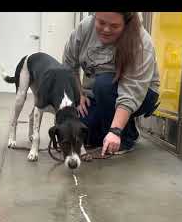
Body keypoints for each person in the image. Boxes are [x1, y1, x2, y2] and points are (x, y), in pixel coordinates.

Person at [62, 12, 160, 157]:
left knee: (104, 83)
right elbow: (69, 64)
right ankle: (128, 129)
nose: (106, 29)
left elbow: (131, 92)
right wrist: (78, 93)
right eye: (101, 23)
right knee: (85, 131)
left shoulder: (140, 42)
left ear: (126, 23)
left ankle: (125, 137)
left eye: (114, 26)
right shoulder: (85, 28)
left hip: (141, 93)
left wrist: (115, 131)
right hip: (100, 91)